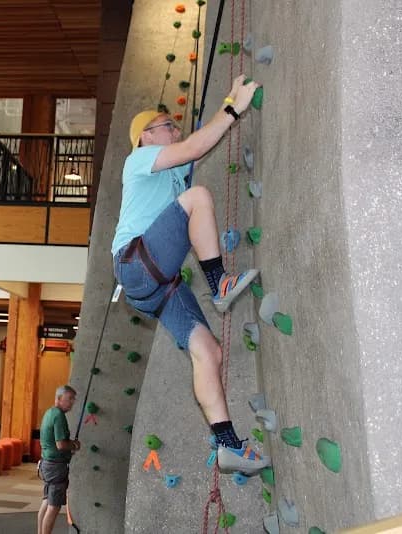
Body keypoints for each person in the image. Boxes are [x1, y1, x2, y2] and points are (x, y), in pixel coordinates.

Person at [111, 75, 269, 475]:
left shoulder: (174, 172)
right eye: (168, 125)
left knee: (208, 351)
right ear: (145, 137)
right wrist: (236, 107)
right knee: (198, 198)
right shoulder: (139, 161)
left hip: (153, 286)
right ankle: (221, 285)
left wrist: (230, 95)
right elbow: (197, 143)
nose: (176, 130)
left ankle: (229, 445)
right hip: (135, 262)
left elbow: (201, 139)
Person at [37, 385, 79, 534]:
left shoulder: (50, 413)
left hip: (47, 464)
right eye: (69, 399)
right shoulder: (59, 416)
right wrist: (74, 444)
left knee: (46, 501)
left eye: (73, 399)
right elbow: (61, 445)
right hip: (56, 467)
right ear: (59, 398)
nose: (72, 402)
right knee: (54, 506)